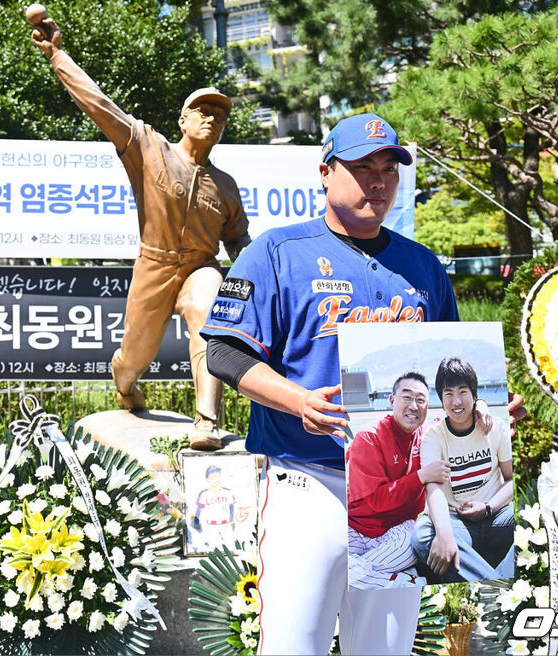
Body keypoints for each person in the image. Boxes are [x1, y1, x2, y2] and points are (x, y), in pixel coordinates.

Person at [202, 112, 457, 655]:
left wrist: (480, 416)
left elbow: (448, 370)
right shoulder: (276, 252)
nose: (379, 180)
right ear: (325, 171)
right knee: (295, 646)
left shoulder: (423, 266)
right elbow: (223, 351)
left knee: (383, 649)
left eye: (389, 168)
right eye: (363, 166)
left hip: (397, 496)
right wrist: (297, 401)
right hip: (307, 481)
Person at [30, 12, 251, 450]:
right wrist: (57, 54)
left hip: (199, 268)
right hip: (155, 265)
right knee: (133, 358)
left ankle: (206, 420)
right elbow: (100, 106)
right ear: (183, 120)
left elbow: (238, 239)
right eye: (201, 111)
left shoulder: (225, 185)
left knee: (210, 313)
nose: (211, 119)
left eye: (219, 116)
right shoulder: (149, 147)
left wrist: (255, 265)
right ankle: (126, 388)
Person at [412, 356, 515, 583]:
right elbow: (434, 489)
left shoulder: (495, 427)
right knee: (422, 536)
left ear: (474, 394)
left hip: (496, 516)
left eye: (463, 392)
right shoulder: (433, 437)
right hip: (456, 522)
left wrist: (488, 508)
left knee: (528, 515)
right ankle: (499, 585)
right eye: (449, 394)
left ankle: (490, 584)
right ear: (441, 398)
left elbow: (511, 479)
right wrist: (444, 532)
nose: (456, 401)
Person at [346, 372, 450, 589]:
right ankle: (400, 582)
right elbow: (374, 501)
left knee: (416, 536)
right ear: (392, 400)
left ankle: (357, 577)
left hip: (397, 532)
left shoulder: (427, 435)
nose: (414, 406)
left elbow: (456, 416)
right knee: (331, 556)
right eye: (407, 397)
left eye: (421, 400)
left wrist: (482, 407)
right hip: (356, 527)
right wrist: (422, 476)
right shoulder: (369, 436)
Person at [190, 464, 237, 551]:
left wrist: (232, 521)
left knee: (231, 549)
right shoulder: (204, 494)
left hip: (226, 525)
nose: (215, 478)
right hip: (211, 526)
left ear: (220, 476)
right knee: (214, 550)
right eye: (212, 477)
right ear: (207, 479)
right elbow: (199, 509)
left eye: (217, 475)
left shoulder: (228, 492)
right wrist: (196, 522)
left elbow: (231, 508)